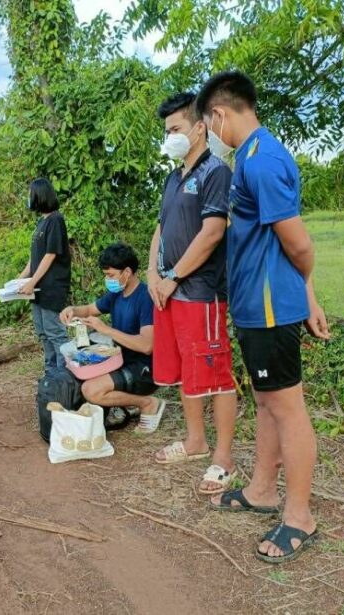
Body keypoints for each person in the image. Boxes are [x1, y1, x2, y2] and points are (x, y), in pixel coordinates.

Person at [196, 71, 330, 564]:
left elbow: (297, 241)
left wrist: (305, 294)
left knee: (287, 407)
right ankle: (262, 490)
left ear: (219, 115)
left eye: (207, 125)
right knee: (267, 399)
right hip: (256, 304)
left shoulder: (263, 159)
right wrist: (308, 295)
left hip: (271, 308)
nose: (211, 134)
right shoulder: (251, 158)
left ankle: (299, 517)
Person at [147, 92, 238, 495]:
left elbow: (213, 231)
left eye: (176, 129)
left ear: (199, 127)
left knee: (215, 374)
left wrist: (175, 277)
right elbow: (162, 228)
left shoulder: (215, 172)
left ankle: (223, 458)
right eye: (166, 131)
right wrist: (153, 273)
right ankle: (195, 441)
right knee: (187, 370)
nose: (170, 138)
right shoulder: (173, 177)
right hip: (168, 293)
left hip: (200, 294)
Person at [59, 243, 164, 432]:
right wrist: (73, 310)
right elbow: (90, 309)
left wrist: (106, 330)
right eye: (106, 275)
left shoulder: (145, 298)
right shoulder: (116, 294)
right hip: (120, 360)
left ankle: (147, 403)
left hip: (144, 368)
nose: (108, 280)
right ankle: (122, 404)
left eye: (111, 275)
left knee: (90, 390)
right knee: (76, 369)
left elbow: (148, 345)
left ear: (127, 272)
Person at [17, 178, 71, 378]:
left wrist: (31, 282)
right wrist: (20, 279)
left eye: (31, 194)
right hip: (38, 289)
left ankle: (64, 376)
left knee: (55, 333)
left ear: (40, 195)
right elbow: (35, 257)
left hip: (51, 288)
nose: (29, 198)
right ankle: (50, 373)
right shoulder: (42, 222)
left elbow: (50, 255)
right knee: (43, 333)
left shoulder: (56, 220)